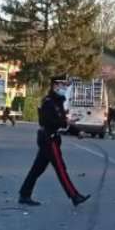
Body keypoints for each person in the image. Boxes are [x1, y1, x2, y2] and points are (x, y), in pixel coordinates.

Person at [19, 78, 91, 207]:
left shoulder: (58, 102)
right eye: (62, 85)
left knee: (37, 169)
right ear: (55, 85)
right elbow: (48, 121)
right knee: (60, 169)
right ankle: (74, 195)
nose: (64, 88)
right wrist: (65, 123)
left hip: (51, 138)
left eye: (65, 86)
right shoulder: (48, 102)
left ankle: (24, 194)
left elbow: (63, 121)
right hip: (49, 139)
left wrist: (77, 132)